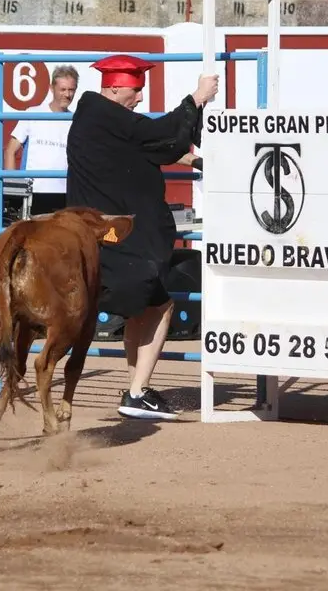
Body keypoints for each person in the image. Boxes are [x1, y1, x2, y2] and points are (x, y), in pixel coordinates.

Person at [65, 54, 217, 420]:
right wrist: (196, 97)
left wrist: (192, 161)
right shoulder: (109, 117)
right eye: (135, 90)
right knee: (160, 305)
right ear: (115, 87)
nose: (140, 98)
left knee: (146, 305)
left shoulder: (96, 117)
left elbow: (143, 144)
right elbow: (158, 134)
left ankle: (137, 389)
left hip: (94, 233)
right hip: (116, 235)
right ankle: (136, 391)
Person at [3, 65, 79, 215]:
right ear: (52, 88)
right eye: (63, 89)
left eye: (71, 90)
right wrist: (13, 190)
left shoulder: (75, 120)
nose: (67, 94)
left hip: (65, 194)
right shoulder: (33, 113)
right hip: (34, 193)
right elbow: (10, 150)